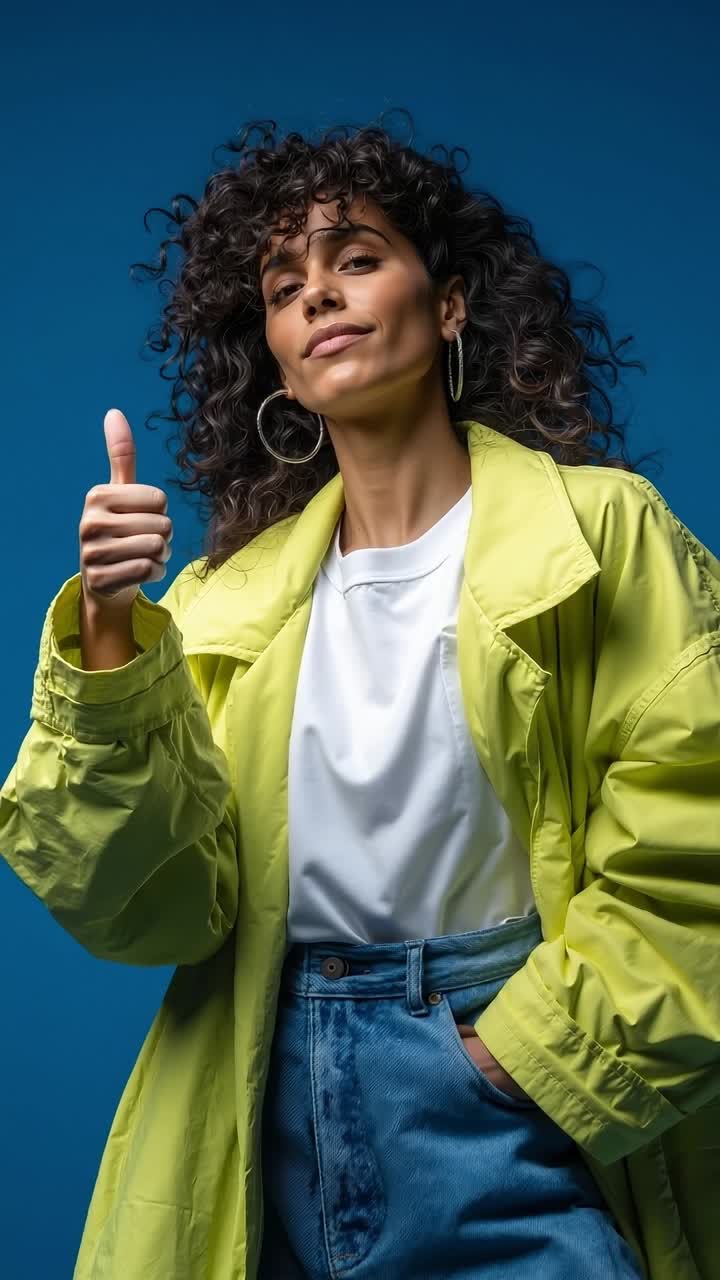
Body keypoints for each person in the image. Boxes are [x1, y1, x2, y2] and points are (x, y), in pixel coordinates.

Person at [2, 110, 719, 1280]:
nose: (319, 297)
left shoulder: (602, 534)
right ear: (278, 356)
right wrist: (111, 630)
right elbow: (152, 910)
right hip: (257, 1092)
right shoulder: (226, 605)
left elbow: (699, 836)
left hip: (499, 1075)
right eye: (287, 286)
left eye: (356, 258)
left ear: (448, 305)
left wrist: (525, 1053)